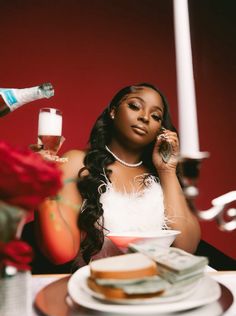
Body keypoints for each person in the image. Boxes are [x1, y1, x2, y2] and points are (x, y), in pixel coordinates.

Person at [35, 83, 201, 268]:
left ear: (159, 129)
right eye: (134, 106)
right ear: (113, 112)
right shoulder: (78, 163)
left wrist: (167, 170)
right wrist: (41, 186)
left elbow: (186, 247)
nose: (145, 117)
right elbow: (61, 253)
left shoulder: (161, 176)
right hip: (97, 287)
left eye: (155, 116)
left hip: (156, 286)